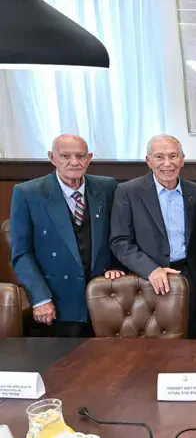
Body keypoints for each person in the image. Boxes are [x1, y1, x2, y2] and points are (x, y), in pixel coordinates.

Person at [10, 134, 124, 337]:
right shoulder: (28, 193)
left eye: (80, 156)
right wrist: (40, 298)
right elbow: (22, 253)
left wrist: (117, 266)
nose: (74, 162)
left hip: (105, 300)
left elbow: (120, 234)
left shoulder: (107, 187)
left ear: (89, 158)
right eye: (65, 156)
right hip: (57, 306)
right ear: (52, 158)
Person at [110, 134, 196, 339]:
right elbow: (120, 241)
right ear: (148, 161)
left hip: (189, 277)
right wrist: (151, 270)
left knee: (191, 339)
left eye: (173, 156)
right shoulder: (128, 191)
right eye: (159, 157)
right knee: (155, 345)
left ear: (182, 160)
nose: (167, 163)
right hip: (147, 278)